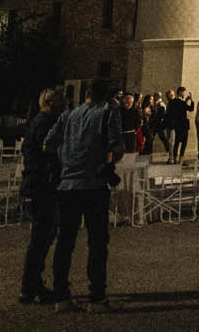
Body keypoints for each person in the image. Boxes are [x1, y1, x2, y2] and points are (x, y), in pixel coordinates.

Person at [45, 76, 122, 312]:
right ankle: (96, 298)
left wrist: (66, 157)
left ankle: (61, 297)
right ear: (106, 95)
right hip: (93, 184)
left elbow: (48, 144)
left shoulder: (69, 115)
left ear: (86, 94)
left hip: (67, 185)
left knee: (65, 242)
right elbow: (116, 147)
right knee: (97, 242)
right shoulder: (108, 112)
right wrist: (104, 161)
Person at [18, 87, 62, 305]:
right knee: (40, 239)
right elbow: (49, 152)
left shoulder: (39, 122)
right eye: (59, 101)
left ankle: (33, 285)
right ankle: (29, 287)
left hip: (38, 185)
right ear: (48, 103)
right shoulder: (44, 123)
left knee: (43, 238)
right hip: (41, 187)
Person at [166, 87, 191, 163]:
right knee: (182, 142)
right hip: (182, 125)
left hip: (176, 125)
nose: (184, 94)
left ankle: (174, 158)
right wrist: (190, 100)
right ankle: (179, 159)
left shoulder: (173, 102)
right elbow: (190, 108)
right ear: (180, 92)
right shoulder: (179, 102)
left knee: (176, 143)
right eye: (183, 92)